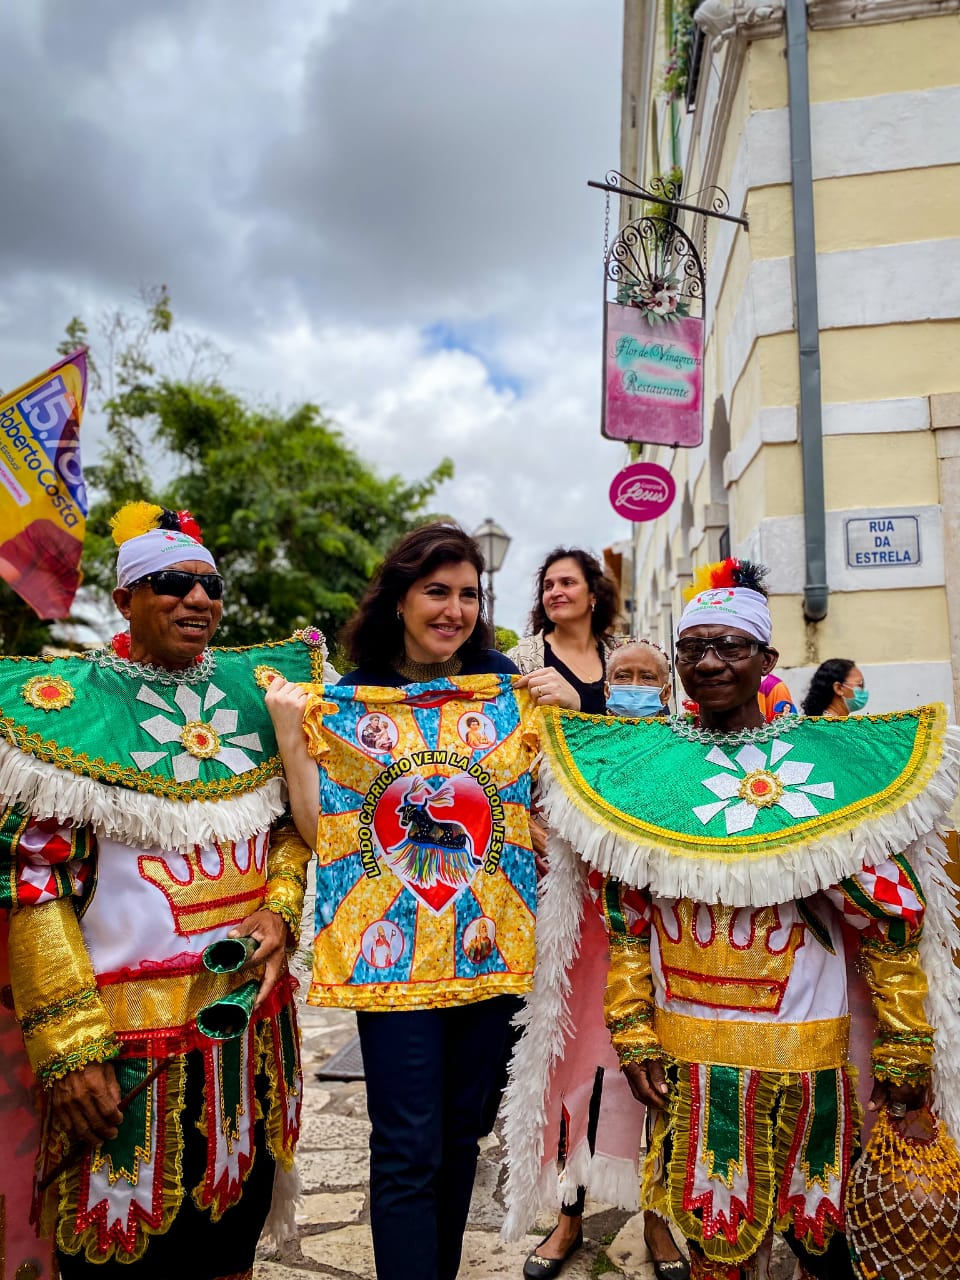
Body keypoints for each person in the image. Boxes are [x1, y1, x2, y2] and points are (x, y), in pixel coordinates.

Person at [506, 558, 960, 1280]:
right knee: (716, 1256)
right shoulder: (647, 777)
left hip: (809, 1061)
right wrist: (632, 1029)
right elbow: (627, 922)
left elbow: (890, 920)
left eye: (730, 647)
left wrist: (907, 1045)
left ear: (767, 660)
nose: (709, 663)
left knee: (822, 1250)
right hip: (691, 1063)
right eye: (693, 649)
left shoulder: (821, 772)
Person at [0, 503, 332, 1279]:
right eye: (170, 583)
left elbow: (288, 827)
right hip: (116, 1051)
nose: (197, 600)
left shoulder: (257, 697)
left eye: (209, 585)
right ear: (125, 599)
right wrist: (71, 1048)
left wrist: (280, 909)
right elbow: (32, 884)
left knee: (229, 1245)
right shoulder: (68, 715)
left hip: (245, 1036)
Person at [266, 522, 580, 1280]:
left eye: (468, 594)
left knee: (461, 1138)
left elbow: (570, 800)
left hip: (487, 946)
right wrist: (290, 736)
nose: (454, 609)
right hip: (390, 958)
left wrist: (573, 710)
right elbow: (325, 832)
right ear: (399, 599)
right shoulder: (347, 699)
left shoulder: (503, 681)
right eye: (436, 591)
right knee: (406, 1145)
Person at [506, 638, 689, 1280]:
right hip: (585, 943)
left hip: (668, 944)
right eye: (624, 675)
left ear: (665, 692)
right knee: (577, 1079)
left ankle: (659, 1222)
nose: (635, 683)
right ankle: (567, 1219)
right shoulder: (572, 751)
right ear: (605, 687)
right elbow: (530, 818)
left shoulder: (683, 755)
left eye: (648, 675)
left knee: (663, 1081)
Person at [508, 547, 620, 716]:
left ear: (593, 594)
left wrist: (578, 708)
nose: (554, 592)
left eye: (567, 583)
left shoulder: (622, 655)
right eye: (548, 586)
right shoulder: (520, 660)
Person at [801, 658, 868, 718]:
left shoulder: (837, 723)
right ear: (838, 688)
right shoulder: (828, 726)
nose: (864, 690)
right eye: (860, 685)